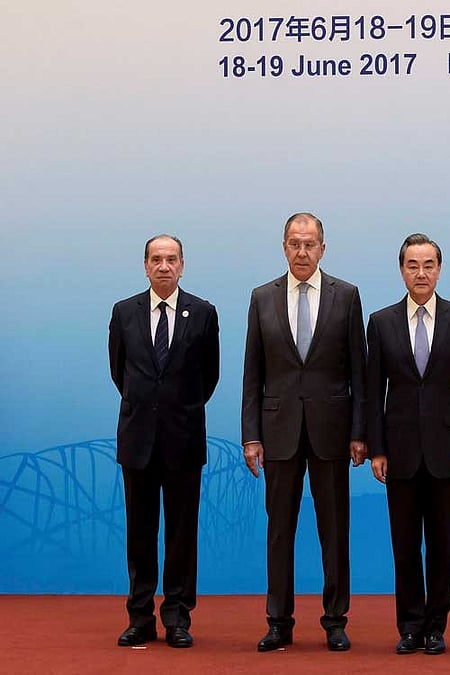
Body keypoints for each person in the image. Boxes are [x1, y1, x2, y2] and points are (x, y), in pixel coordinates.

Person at [241, 212, 367, 652]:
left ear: (323, 248)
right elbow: (252, 372)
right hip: (278, 431)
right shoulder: (262, 298)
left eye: (309, 243)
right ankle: (279, 621)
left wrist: (359, 432)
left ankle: (335, 620)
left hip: (333, 431)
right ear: (283, 247)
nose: (302, 251)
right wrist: (250, 435)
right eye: (294, 243)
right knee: (280, 530)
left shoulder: (347, 296)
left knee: (334, 530)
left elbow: (359, 371)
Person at [366, 234, 450, 655]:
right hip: (398, 451)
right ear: (401, 271)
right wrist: (377, 448)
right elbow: (372, 389)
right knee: (405, 544)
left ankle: (436, 626)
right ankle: (410, 626)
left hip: (446, 449)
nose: (421, 273)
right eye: (413, 265)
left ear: (439, 269)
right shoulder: (380, 322)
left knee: (442, 543)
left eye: (428, 264)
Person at [109, 234, 220, 649]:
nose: (164, 267)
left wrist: (177, 407)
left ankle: (177, 616)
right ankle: (140, 617)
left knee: (181, 533)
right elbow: (119, 372)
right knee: (139, 533)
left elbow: (209, 376)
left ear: (183, 265)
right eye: (156, 259)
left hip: (184, 438)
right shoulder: (124, 312)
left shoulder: (203, 313)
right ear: (144, 265)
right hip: (138, 439)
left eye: (171, 259)